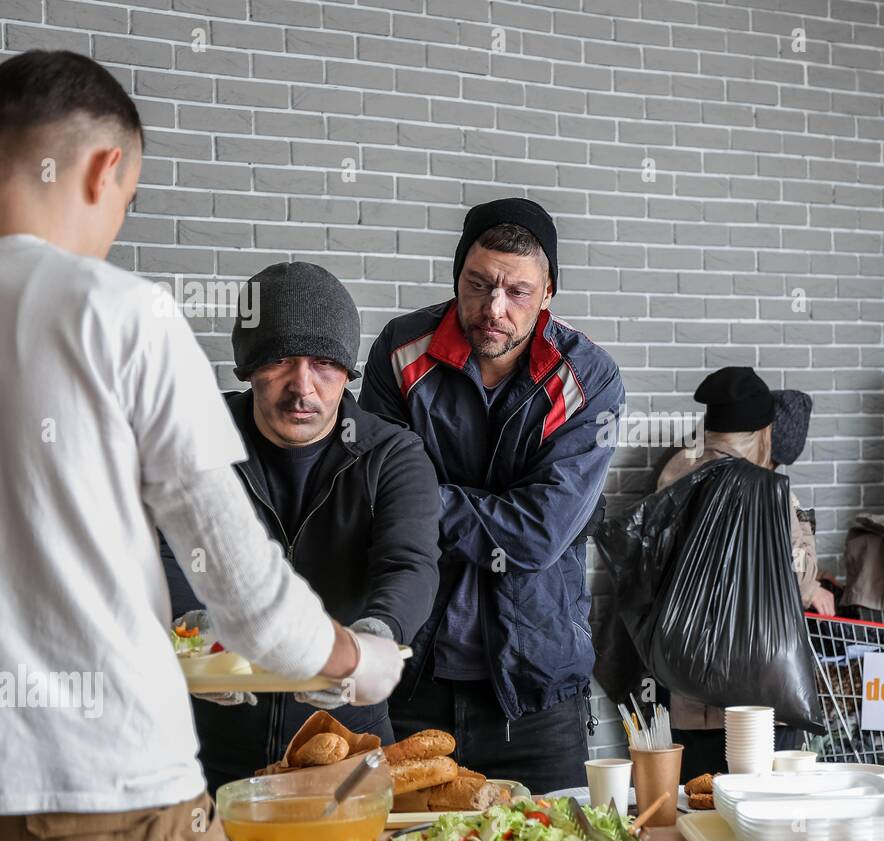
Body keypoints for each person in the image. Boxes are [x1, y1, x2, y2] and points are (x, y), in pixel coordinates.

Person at [0, 50, 403, 841]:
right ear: (106, 168)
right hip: (99, 795)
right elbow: (245, 594)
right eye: (130, 198)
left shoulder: (391, 456)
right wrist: (360, 660)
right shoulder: (119, 316)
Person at [359, 197, 623, 794]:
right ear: (457, 275)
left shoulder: (587, 379)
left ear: (549, 291)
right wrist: (475, 507)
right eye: (478, 285)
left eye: (518, 292)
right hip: (410, 676)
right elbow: (380, 499)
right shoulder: (402, 352)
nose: (493, 310)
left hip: (536, 693)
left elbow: (538, 535)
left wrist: (429, 496)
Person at [162, 262, 441, 791]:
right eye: (281, 361)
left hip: (345, 749)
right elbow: (162, 550)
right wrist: (190, 631)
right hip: (201, 752)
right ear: (247, 368)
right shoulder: (201, 437)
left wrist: (373, 638)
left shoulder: (392, 454)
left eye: (325, 364)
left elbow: (409, 564)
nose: (302, 387)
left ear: (348, 372)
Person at [657, 369, 836, 780]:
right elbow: (794, 579)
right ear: (761, 432)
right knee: (764, 812)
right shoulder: (767, 490)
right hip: (761, 696)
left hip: (688, 690)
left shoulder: (674, 474)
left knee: (700, 806)